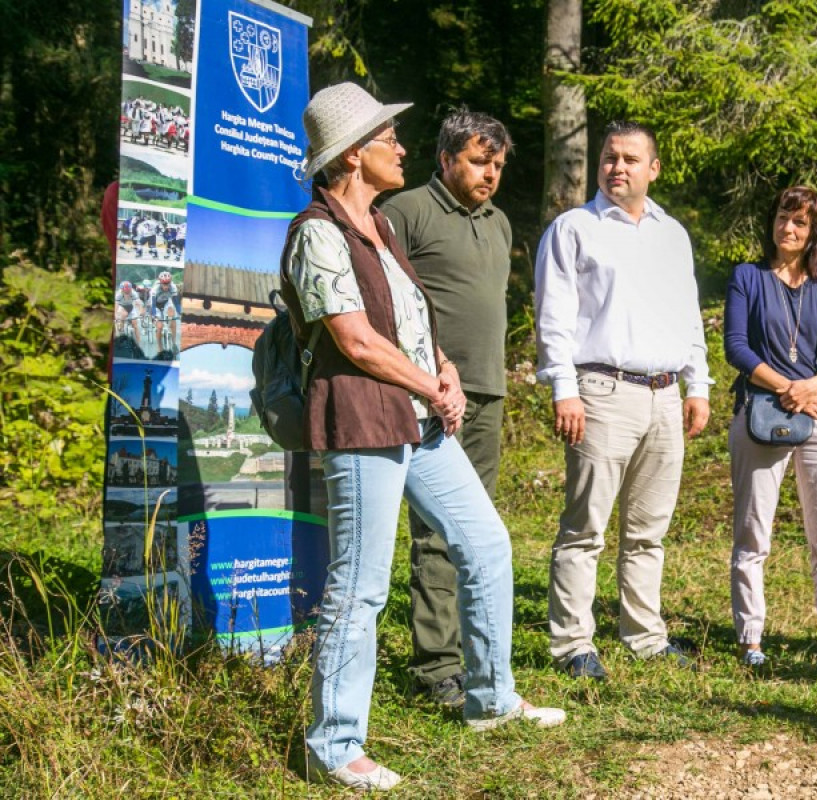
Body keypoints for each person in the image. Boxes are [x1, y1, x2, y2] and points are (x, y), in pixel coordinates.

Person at [283, 83, 564, 792]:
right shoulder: (317, 233)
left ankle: (491, 697)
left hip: (416, 422)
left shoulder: (378, 227)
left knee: (487, 544)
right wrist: (429, 381)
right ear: (351, 157)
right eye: (387, 139)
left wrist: (443, 368)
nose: (402, 148)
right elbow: (354, 340)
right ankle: (335, 745)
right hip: (363, 422)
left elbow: (411, 323)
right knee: (360, 586)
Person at [534, 120, 712, 680]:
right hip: (601, 390)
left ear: (653, 169)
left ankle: (645, 636)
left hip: (663, 395)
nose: (618, 167)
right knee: (585, 527)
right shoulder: (574, 228)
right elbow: (554, 318)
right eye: (610, 157)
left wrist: (698, 383)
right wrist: (564, 389)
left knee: (648, 529)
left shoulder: (672, 234)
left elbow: (689, 315)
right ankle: (572, 645)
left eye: (631, 159)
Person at [380, 111, 513, 708]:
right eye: (480, 161)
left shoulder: (500, 222)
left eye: (499, 165)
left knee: (479, 534)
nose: (490, 175)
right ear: (446, 158)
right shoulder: (406, 211)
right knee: (435, 533)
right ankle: (435, 669)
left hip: (487, 392)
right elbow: (381, 298)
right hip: (426, 396)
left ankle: (479, 665)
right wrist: (427, 379)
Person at [723, 186, 817, 673]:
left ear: (814, 233)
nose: (788, 228)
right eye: (784, 217)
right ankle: (750, 638)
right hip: (762, 406)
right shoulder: (747, 277)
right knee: (752, 534)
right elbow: (737, 348)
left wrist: (811, 389)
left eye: (800, 223)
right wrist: (788, 387)